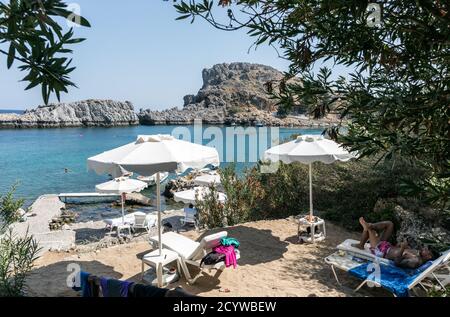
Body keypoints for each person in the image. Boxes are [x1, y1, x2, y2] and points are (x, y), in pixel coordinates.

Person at [356, 217, 434, 269]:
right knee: (390, 224)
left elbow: (397, 263)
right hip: (387, 246)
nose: (424, 248)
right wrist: (401, 246)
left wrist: (403, 248)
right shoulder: (417, 254)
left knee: (369, 230)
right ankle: (370, 226)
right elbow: (400, 251)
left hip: (381, 251)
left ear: (429, 256)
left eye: (426, 250)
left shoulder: (415, 261)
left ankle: (361, 243)